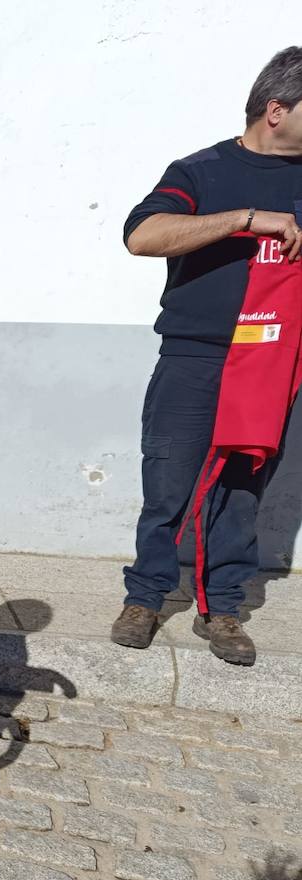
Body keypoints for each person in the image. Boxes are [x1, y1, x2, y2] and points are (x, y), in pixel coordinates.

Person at [112, 46, 302, 666]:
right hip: (195, 356)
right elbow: (143, 236)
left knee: (245, 487)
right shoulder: (200, 170)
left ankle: (221, 608)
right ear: (276, 109)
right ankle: (146, 596)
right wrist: (248, 220)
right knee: (168, 480)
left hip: (274, 363)